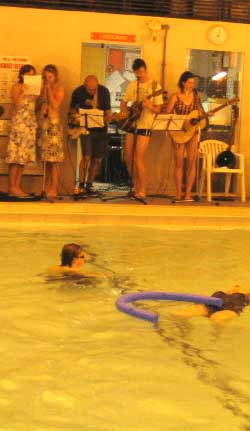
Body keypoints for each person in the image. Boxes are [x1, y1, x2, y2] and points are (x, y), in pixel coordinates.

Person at [120, 58, 163, 200]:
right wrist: (126, 111)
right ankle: (135, 184)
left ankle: (142, 189)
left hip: (146, 124)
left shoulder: (155, 86)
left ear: (146, 70)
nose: (140, 75)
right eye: (137, 73)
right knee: (127, 157)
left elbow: (158, 109)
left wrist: (149, 105)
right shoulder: (133, 85)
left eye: (142, 72)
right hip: (132, 123)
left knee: (139, 157)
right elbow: (124, 102)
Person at [166, 71, 205, 201]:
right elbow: (168, 114)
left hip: (192, 132)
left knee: (192, 163)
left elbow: (200, 113)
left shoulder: (197, 96)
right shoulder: (175, 96)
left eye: (193, 82)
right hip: (179, 132)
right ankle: (178, 193)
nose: (192, 85)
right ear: (183, 82)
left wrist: (204, 115)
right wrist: (179, 120)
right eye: (189, 82)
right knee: (179, 163)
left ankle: (188, 194)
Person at [69, 75, 111, 194]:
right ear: (84, 85)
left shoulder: (104, 91)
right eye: (90, 89)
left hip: (101, 128)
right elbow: (71, 109)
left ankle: (90, 184)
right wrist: (75, 117)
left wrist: (109, 117)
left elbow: (108, 110)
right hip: (85, 127)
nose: (92, 92)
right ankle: (81, 183)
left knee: (97, 158)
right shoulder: (78, 92)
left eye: (94, 89)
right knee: (87, 156)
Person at [6, 64, 37, 197]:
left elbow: (33, 107)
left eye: (32, 75)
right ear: (22, 75)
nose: (30, 78)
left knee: (23, 158)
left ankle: (18, 186)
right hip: (19, 125)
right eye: (28, 75)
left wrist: (33, 93)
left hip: (29, 125)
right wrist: (23, 91)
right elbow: (17, 106)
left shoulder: (34, 89)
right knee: (16, 157)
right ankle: (12, 187)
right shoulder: (16, 87)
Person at [37, 64, 64, 198]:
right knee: (46, 159)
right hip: (44, 124)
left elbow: (55, 104)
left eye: (50, 77)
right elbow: (38, 104)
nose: (47, 79)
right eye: (45, 77)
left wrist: (48, 90)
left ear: (55, 77)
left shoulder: (59, 88)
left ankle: (54, 188)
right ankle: (46, 187)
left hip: (54, 125)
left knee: (54, 160)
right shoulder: (42, 89)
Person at [174, 285, 250, 325]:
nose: (236, 286)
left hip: (231, 309)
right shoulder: (222, 294)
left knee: (217, 318)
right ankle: (185, 331)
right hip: (210, 306)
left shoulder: (242, 297)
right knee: (180, 315)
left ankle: (216, 337)